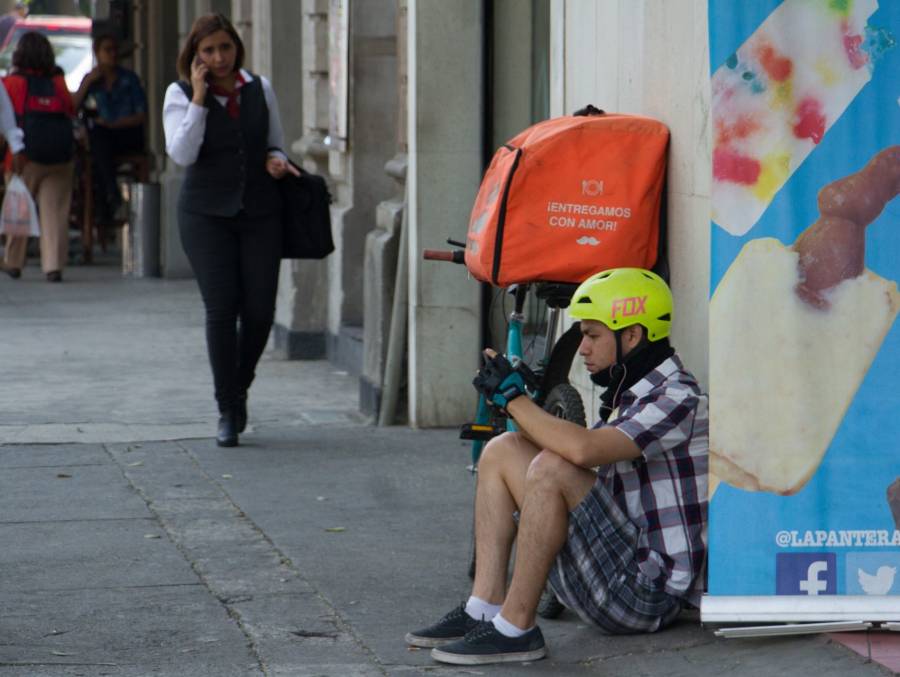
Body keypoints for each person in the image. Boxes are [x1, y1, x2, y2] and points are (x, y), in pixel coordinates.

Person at [405, 268, 709, 665]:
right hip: (620, 566)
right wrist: (521, 399)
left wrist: (515, 400)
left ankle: (517, 628)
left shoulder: (677, 398)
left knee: (551, 468)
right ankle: (484, 607)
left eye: (593, 335)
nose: (583, 348)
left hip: (649, 595)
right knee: (502, 449)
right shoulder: (632, 393)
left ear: (632, 336)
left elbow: (582, 452)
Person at [162, 13, 298, 447]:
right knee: (221, 310)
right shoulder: (180, 94)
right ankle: (227, 409)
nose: (219, 58)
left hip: (259, 211)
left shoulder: (259, 89)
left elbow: (275, 141)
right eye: (208, 51)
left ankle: (238, 387)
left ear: (236, 46)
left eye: (225, 48)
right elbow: (181, 153)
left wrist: (276, 159)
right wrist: (200, 100)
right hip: (204, 215)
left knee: (260, 312)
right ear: (195, 56)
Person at [1, 31, 75, 282]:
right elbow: (70, 109)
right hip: (59, 158)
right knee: (55, 212)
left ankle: (14, 262)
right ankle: (53, 265)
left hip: (23, 159)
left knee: (18, 209)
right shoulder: (57, 81)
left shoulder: (12, 83)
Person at [71, 33, 148, 231]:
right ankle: (110, 195)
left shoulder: (129, 79)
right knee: (97, 139)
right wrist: (87, 83)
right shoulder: (93, 81)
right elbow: (72, 108)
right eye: (107, 50)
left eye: (114, 50)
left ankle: (109, 196)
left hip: (126, 133)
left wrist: (115, 124)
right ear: (97, 53)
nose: (112, 55)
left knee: (100, 141)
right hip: (102, 139)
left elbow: (141, 115)